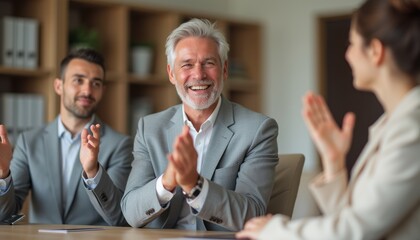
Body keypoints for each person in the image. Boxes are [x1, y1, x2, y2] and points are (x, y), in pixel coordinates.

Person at [237, 0, 420, 239]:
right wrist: (334, 162)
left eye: (352, 43)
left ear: (375, 51)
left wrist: (273, 231)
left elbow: (355, 230)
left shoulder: (411, 127)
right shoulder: (395, 122)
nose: (348, 54)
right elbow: (354, 220)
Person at [121, 18, 279, 231]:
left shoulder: (258, 130)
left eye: (209, 63)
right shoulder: (149, 128)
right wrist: (167, 182)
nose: (198, 74)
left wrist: (195, 186)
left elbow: (252, 213)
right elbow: (131, 212)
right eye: (187, 64)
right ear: (171, 74)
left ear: (224, 70)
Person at [0, 48, 132, 226]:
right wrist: (3, 174)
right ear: (58, 86)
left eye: (96, 83)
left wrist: (93, 172)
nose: (87, 90)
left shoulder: (119, 145)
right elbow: (5, 216)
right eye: (78, 80)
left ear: (103, 90)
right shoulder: (29, 141)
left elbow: (119, 217)